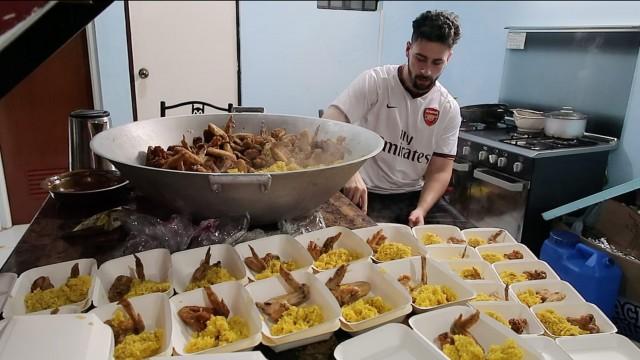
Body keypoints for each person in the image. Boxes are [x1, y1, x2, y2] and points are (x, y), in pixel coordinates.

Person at [322, 10, 462, 227]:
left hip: (413, 194)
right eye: (420, 58)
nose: (426, 70)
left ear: (449, 59)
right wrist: (348, 171)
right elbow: (329, 123)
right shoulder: (376, 82)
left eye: (437, 63)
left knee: (460, 240)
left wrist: (421, 210)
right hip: (364, 190)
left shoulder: (448, 108)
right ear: (408, 49)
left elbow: (441, 170)